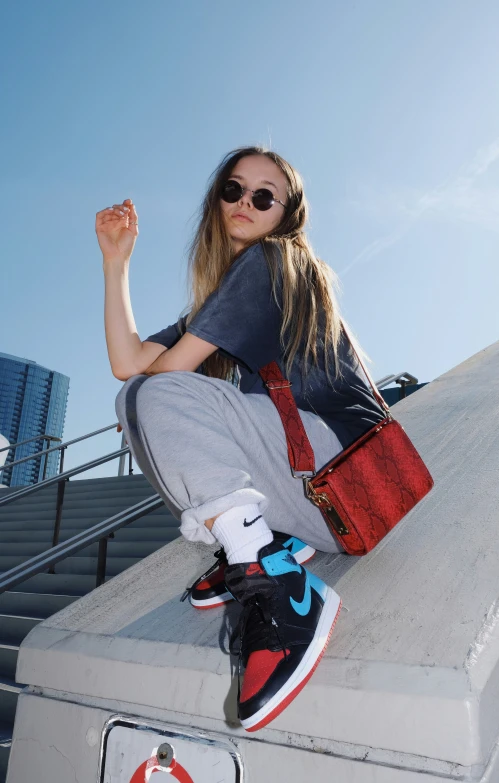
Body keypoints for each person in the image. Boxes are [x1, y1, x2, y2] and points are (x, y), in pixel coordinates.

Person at [95, 146, 385, 732]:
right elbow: (127, 363)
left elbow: (166, 376)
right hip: (322, 494)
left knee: (158, 395)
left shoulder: (274, 262)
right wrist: (116, 262)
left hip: (350, 474)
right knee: (135, 398)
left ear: (286, 214)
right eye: (234, 189)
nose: (245, 203)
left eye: (263, 196)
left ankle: (279, 586)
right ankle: (263, 539)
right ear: (217, 201)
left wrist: (162, 380)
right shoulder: (221, 296)